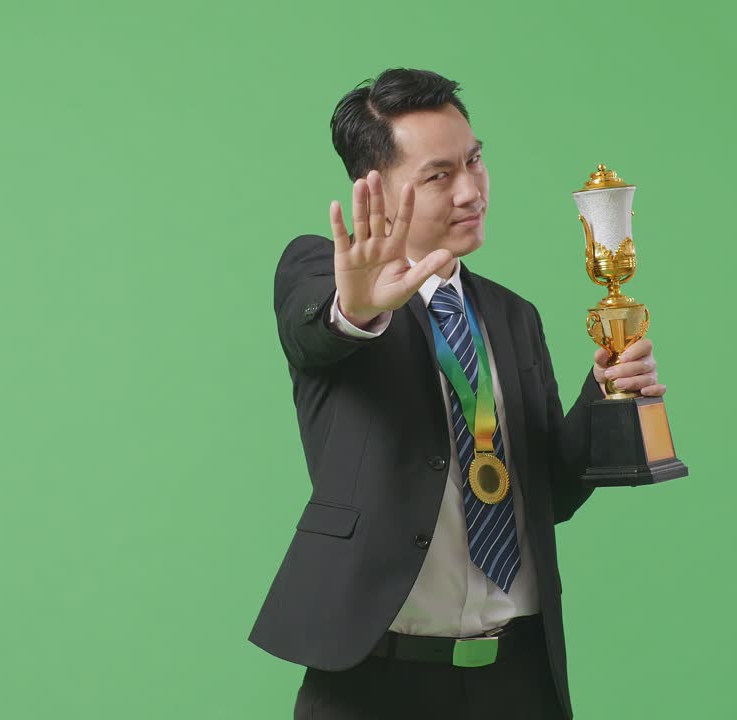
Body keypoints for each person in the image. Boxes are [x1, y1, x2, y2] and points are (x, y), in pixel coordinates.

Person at [250, 68, 667, 720]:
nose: (472, 190)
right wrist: (354, 310)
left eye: (474, 161)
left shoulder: (512, 316)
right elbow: (315, 335)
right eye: (439, 175)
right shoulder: (320, 274)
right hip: (375, 684)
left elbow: (546, 493)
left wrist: (606, 394)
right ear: (376, 191)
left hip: (517, 679)